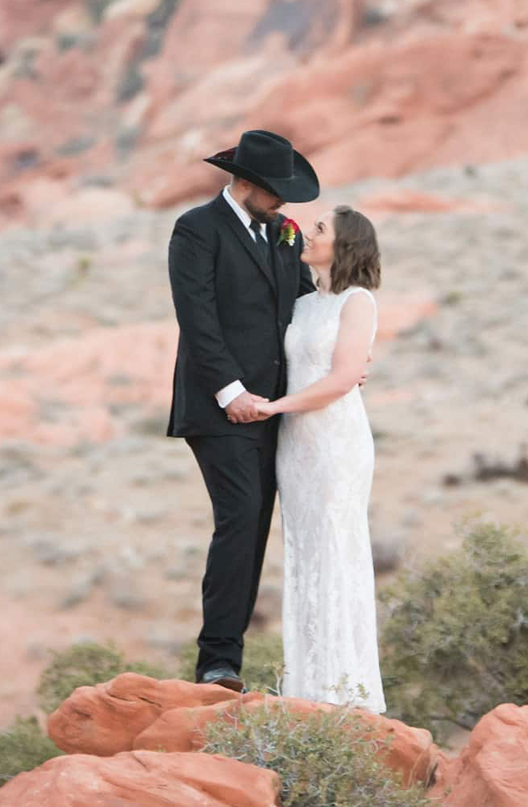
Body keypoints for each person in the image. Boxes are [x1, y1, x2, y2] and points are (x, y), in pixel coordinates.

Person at [166, 129, 318, 690]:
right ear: (248, 183)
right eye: (277, 190)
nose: (285, 202)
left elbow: (303, 305)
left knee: (254, 526)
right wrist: (232, 393)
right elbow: (197, 317)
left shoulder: (284, 233)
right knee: (239, 516)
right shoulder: (196, 229)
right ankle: (217, 663)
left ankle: (228, 661)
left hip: (276, 408)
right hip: (216, 408)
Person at [259, 206, 385, 711]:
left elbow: (340, 380)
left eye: (319, 230)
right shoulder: (306, 302)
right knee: (304, 555)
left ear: (346, 243)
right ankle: (307, 687)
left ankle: (346, 691)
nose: (307, 235)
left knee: (337, 550)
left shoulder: (358, 302)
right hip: (296, 448)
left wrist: (274, 407)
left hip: (335, 443)